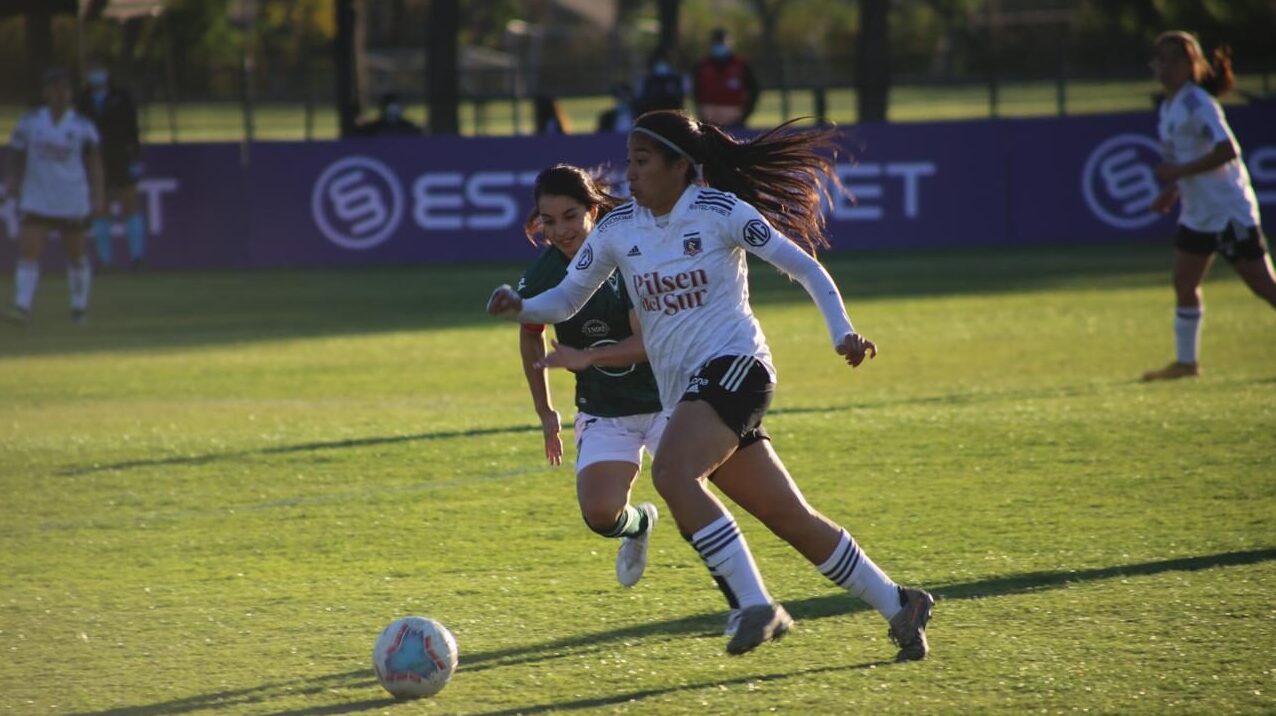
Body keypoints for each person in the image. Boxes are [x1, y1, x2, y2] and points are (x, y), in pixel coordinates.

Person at [487, 110, 935, 660]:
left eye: (642, 161)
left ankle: (754, 605)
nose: (630, 173)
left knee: (673, 472)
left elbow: (806, 268)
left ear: (680, 166)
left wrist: (842, 332)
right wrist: (523, 306)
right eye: (629, 160)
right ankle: (899, 604)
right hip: (691, 395)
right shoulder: (616, 229)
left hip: (738, 367)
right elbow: (566, 300)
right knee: (788, 517)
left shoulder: (720, 212)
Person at [514, 164, 663, 588]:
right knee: (600, 516)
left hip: (667, 399)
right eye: (548, 220)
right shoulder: (541, 276)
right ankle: (639, 526)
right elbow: (530, 338)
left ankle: (744, 598)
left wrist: (584, 358)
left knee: (687, 492)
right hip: (604, 407)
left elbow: (648, 344)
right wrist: (545, 411)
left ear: (593, 212)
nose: (560, 230)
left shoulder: (628, 259)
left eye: (570, 216)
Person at [1142, 32, 1276, 381]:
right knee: (1184, 283)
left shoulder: (1196, 102)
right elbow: (1188, 155)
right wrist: (1173, 188)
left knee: (1264, 287)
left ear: (1191, 65)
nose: (1165, 67)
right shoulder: (1170, 106)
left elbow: (1228, 149)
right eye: (1161, 60)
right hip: (1198, 213)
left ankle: (1187, 363)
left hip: (1226, 210)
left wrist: (1178, 172)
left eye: (1174, 60)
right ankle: (1187, 364)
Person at [4, 69, 104, 325]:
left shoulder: (82, 125)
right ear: (46, 92)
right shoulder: (31, 121)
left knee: (76, 255)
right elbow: (15, 151)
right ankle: (22, 307)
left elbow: (94, 162)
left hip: (72, 197)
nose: (60, 93)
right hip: (37, 196)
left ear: (70, 94)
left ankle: (79, 308)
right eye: (55, 88)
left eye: (65, 88)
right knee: (29, 252)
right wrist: (12, 178)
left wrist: (98, 194)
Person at [76, 56, 144, 270]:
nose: (96, 73)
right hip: (95, 159)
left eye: (100, 68)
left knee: (129, 205)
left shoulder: (121, 97)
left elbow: (133, 131)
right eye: (92, 68)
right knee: (100, 207)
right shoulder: (82, 100)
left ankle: (137, 257)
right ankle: (105, 260)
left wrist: (135, 158)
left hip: (120, 157)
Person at [692, 28, 759, 129]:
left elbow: (754, 90)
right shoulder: (702, 66)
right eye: (716, 42)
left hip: (735, 123)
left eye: (722, 42)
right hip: (708, 123)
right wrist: (701, 114)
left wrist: (745, 115)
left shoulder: (741, 66)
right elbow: (695, 91)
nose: (719, 47)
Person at [636, 47, 686, 116]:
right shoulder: (649, 79)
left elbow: (681, 96)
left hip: (670, 111)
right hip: (653, 111)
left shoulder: (675, 78)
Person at [354, 93, 422, 137]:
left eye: (396, 106)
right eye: (390, 106)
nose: (394, 110)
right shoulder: (372, 129)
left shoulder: (409, 128)